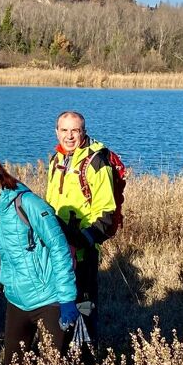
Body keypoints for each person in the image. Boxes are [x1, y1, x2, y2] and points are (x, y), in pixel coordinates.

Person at [0, 156, 78, 365]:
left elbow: (59, 247)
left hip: (49, 298)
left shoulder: (27, 202)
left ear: (2, 176)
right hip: (17, 300)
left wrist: (67, 298)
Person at [45, 111, 117, 349]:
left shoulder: (96, 162)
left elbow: (106, 216)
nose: (69, 136)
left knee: (83, 309)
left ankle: (86, 361)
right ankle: (61, 356)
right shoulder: (56, 159)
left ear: (83, 132)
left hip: (83, 252)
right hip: (57, 250)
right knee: (58, 306)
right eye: (64, 130)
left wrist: (79, 242)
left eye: (75, 130)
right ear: (57, 132)